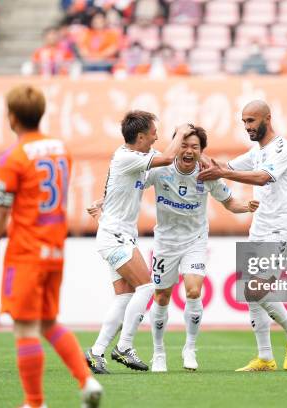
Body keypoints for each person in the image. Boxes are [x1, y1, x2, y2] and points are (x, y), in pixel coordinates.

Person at [88, 126, 259, 372]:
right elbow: (131, 184)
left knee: (192, 290)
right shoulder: (160, 168)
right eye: (184, 146)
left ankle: (189, 348)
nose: (189, 151)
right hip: (165, 243)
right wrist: (103, 202)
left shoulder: (208, 172)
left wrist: (248, 206)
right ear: (177, 147)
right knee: (160, 296)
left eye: (195, 147)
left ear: (201, 151)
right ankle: (158, 353)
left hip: (195, 240)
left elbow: (230, 203)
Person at [0, 85, 102, 408]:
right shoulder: (61, 150)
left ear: (12, 118)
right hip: (55, 250)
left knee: (25, 327)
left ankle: (34, 402)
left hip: (26, 251)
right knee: (48, 322)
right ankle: (87, 382)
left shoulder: (13, 158)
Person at [198, 100, 287, 372]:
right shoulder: (257, 151)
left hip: (279, 229)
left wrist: (224, 172)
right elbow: (224, 165)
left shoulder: (283, 148)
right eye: (244, 121)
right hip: (259, 227)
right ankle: (265, 357)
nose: (247, 126)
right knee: (251, 292)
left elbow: (262, 178)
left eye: (251, 121)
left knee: (254, 289)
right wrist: (192, 152)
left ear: (267, 119)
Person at [85, 112, 193, 373]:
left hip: (115, 234)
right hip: (116, 236)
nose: (157, 136)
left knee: (124, 297)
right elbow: (168, 158)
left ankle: (96, 352)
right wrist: (181, 132)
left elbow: (125, 187)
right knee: (147, 287)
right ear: (141, 136)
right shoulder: (128, 157)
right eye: (154, 133)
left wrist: (102, 205)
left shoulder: (129, 158)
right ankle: (124, 347)